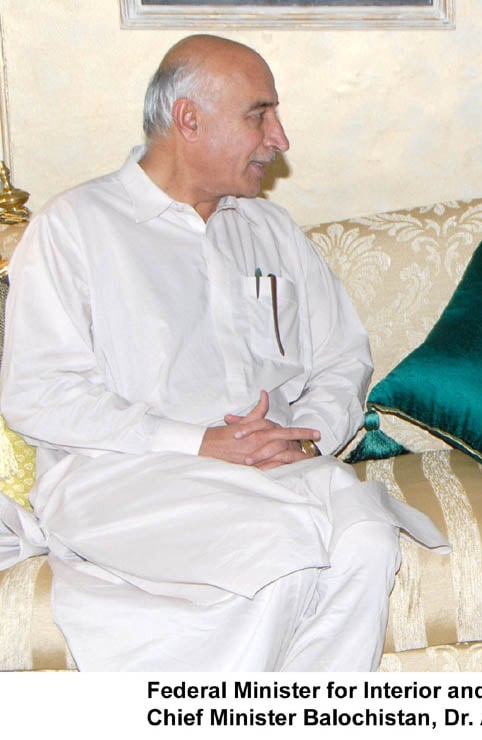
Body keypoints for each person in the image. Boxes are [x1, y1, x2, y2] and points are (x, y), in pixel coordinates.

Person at [0, 35, 448, 670]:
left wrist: (304, 437)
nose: (280, 138)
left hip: (280, 468)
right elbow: (39, 393)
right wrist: (201, 443)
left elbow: (342, 358)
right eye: (258, 114)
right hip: (126, 474)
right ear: (189, 119)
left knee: (369, 539)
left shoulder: (271, 230)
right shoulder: (75, 227)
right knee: (279, 557)